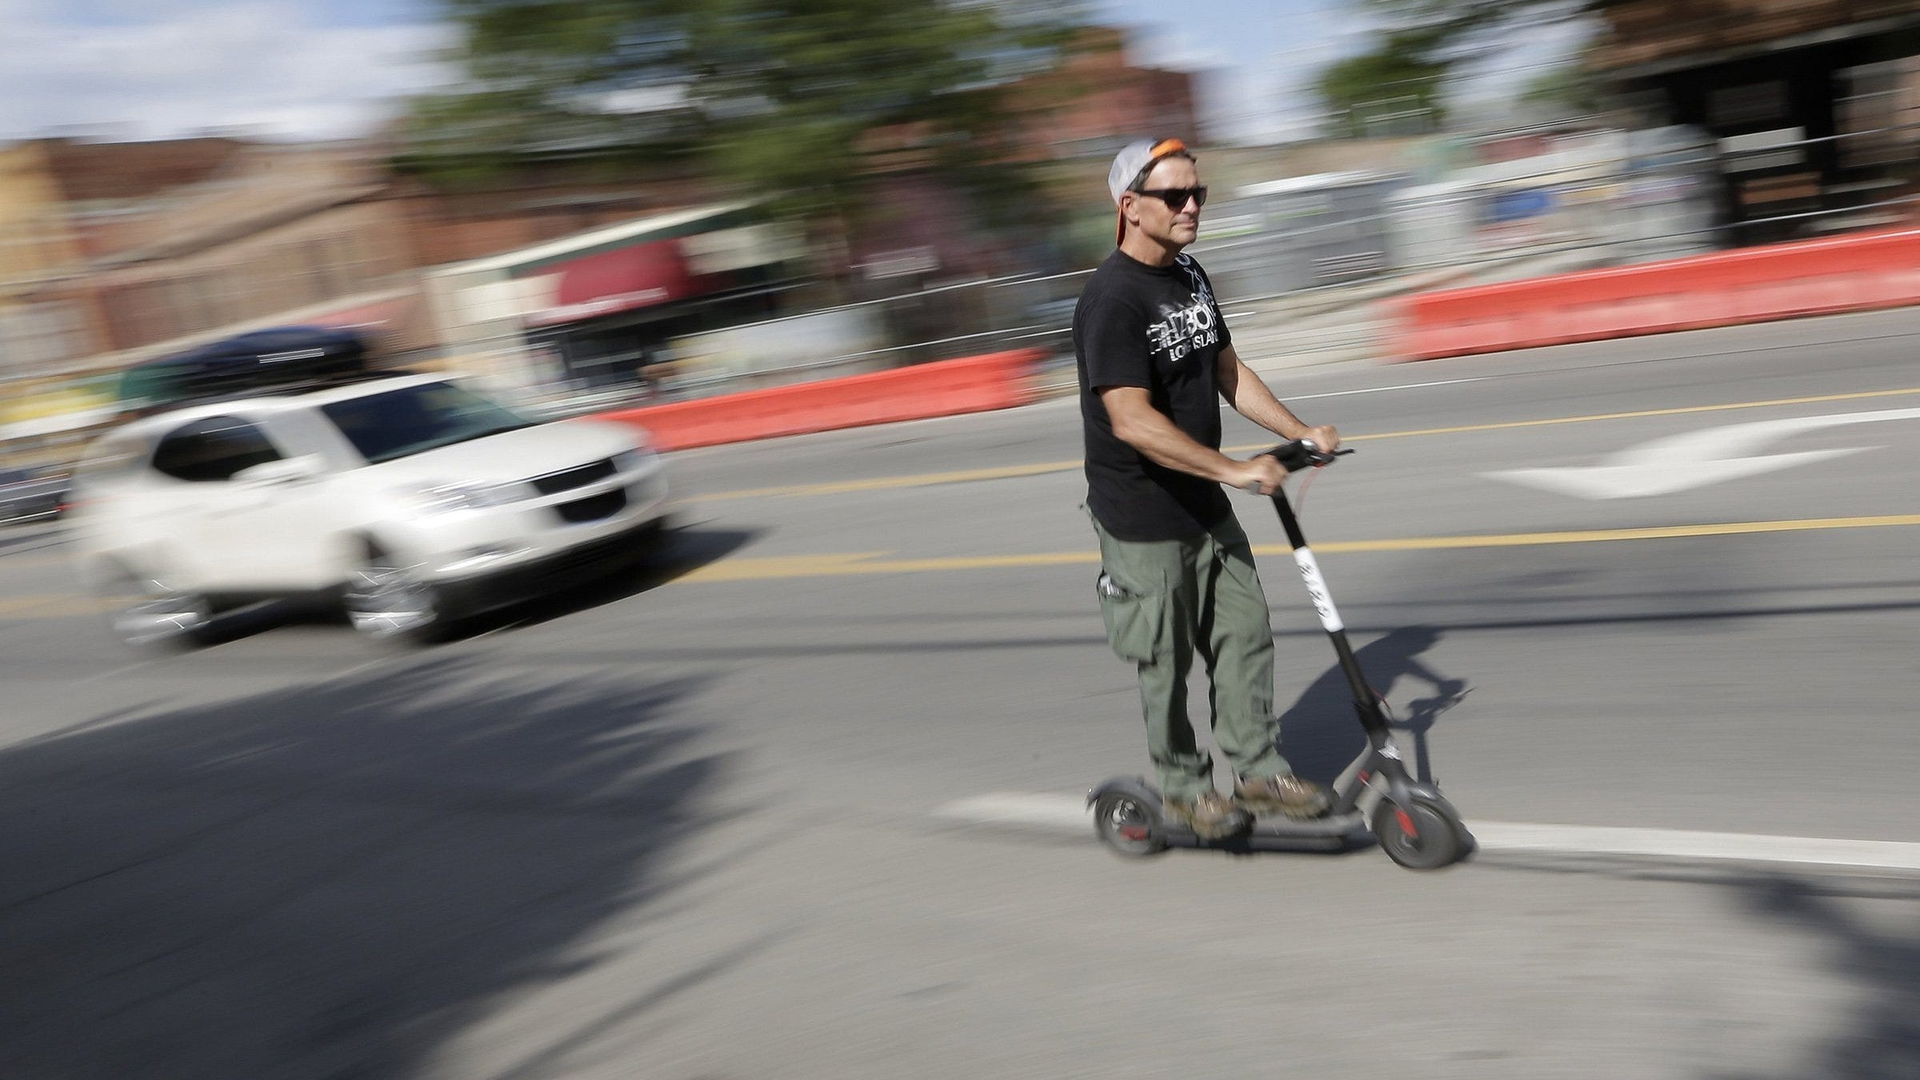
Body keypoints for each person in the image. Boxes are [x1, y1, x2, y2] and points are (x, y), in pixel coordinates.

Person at [1074, 136, 1341, 840]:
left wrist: (1298, 432)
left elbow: (1227, 370)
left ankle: (1257, 770)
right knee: (1164, 662)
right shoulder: (1112, 301)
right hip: (1141, 516)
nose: (1192, 205)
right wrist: (1236, 469)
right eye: (1174, 196)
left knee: (1246, 634)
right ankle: (1186, 786)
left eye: (1199, 193)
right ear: (1130, 207)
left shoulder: (1190, 275)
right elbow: (1130, 421)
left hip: (1203, 501)